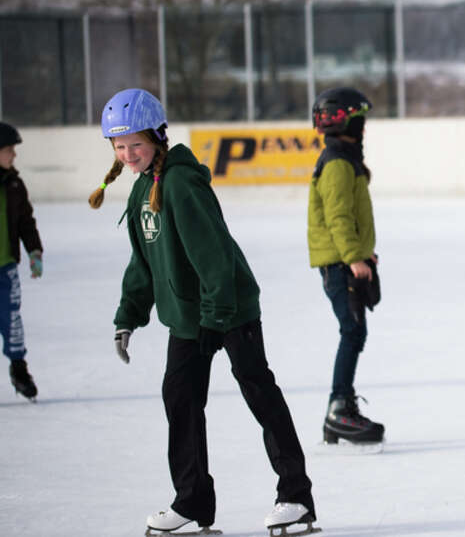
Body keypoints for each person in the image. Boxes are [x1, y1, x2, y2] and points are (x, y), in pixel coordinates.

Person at [89, 88, 317, 536]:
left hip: (229, 310)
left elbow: (213, 257)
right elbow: (144, 261)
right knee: (181, 400)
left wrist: (216, 318)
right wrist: (128, 315)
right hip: (188, 318)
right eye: (119, 146)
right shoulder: (141, 192)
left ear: (157, 137)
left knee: (258, 392)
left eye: (136, 143)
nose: (128, 153)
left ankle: (296, 496)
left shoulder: (179, 184)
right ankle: (192, 501)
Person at [308, 86, 385, 446]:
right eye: (360, 122)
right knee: (352, 331)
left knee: (354, 331)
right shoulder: (338, 163)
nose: (364, 129)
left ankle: (337, 411)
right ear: (344, 125)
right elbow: (338, 216)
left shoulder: (344, 159)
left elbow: (351, 216)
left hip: (345, 259)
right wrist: (353, 256)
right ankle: (339, 410)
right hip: (339, 263)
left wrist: (363, 253)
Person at [0, 122, 42, 401]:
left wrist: (34, 252)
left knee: (12, 320)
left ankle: (19, 369)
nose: (14, 155)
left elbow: (26, 222)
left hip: (6, 268)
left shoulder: (14, 184)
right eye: (9, 149)